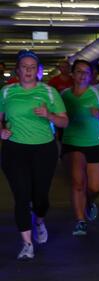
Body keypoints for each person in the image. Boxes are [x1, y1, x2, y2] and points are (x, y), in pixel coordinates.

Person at [0, 50, 68, 259]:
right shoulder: (6, 92)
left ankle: (39, 220)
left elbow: (64, 122)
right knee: (21, 196)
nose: (28, 70)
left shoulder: (49, 92)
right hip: (15, 149)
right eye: (24, 67)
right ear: (18, 70)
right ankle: (27, 244)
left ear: (38, 71)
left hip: (43, 149)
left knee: (40, 198)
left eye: (32, 67)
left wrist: (49, 114)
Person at [60, 59, 99, 237]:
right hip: (72, 142)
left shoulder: (98, 95)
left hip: (96, 143)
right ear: (73, 73)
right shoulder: (64, 95)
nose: (82, 75)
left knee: (96, 187)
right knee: (77, 184)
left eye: (86, 72)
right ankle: (80, 221)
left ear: (91, 76)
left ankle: (89, 201)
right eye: (79, 71)